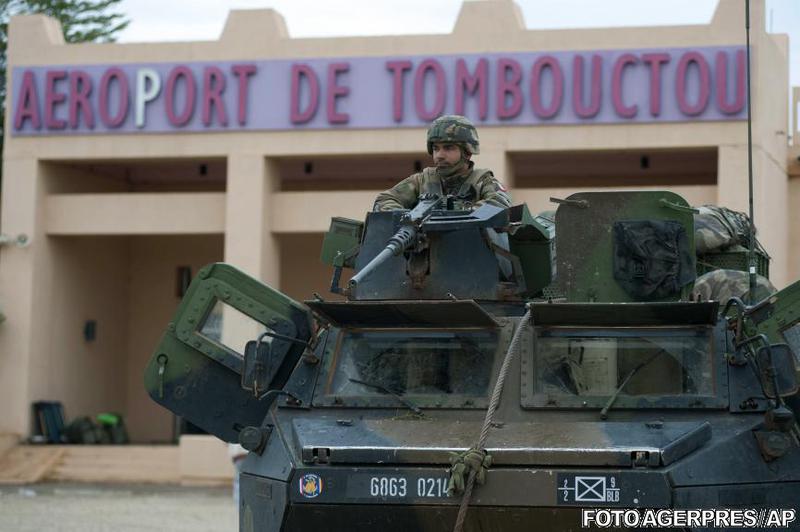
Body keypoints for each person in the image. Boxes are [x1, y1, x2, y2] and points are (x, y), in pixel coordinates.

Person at [373, 115, 512, 212]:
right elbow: (384, 200)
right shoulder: (421, 181)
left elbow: (499, 204)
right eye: (435, 148)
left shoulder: (483, 181)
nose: (439, 155)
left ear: (467, 152)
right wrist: (409, 217)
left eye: (448, 148)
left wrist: (459, 213)